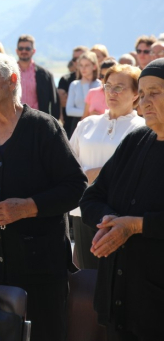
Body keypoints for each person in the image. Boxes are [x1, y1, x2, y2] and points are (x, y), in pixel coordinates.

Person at [0, 50, 87, 341]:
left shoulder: (43, 128)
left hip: (41, 271)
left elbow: (76, 187)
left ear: (12, 80)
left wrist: (28, 207)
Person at [79, 58, 164, 340]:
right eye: (143, 93)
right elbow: (92, 197)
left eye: (155, 92)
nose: (145, 102)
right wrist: (109, 221)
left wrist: (137, 225)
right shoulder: (136, 140)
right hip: (120, 299)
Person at [70, 64, 145, 270]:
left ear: (136, 94)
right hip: (84, 210)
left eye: (119, 87)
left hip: (120, 214)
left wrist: (96, 173)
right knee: (86, 278)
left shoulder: (142, 129)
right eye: (108, 85)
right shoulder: (87, 124)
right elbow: (69, 163)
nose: (112, 92)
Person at [16, 34, 60, 119]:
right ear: (17, 51)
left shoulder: (45, 75)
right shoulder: (8, 73)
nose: (24, 51)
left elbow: (55, 103)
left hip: (38, 121)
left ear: (33, 51)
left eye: (27, 48)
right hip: (14, 121)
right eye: (21, 48)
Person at [66, 51, 102, 135]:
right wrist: (88, 113)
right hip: (77, 123)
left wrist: (86, 86)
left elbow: (96, 108)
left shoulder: (99, 85)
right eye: (81, 65)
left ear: (94, 66)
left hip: (95, 124)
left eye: (87, 65)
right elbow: (69, 110)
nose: (83, 68)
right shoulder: (74, 85)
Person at [58, 46, 89, 135]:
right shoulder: (65, 80)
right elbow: (63, 103)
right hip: (70, 126)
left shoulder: (96, 82)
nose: (79, 62)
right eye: (75, 59)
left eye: (82, 58)